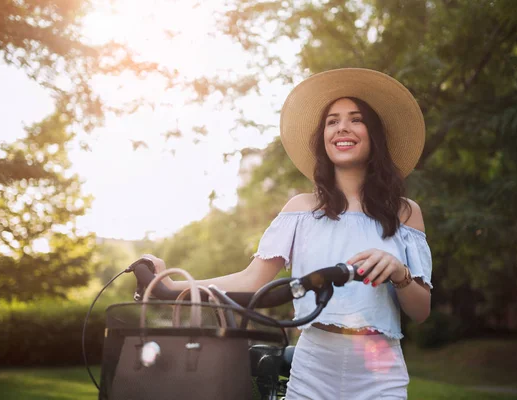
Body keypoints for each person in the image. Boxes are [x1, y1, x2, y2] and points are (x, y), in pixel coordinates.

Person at [146, 68, 432, 400]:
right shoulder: (300, 209)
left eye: (356, 119)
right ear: (323, 138)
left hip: (381, 373)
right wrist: (165, 285)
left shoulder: (405, 212)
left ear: (374, 135)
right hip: (313, 366)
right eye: (332, 121)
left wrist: (399, 273)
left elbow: (421, 311)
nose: (342, 127)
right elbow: (251, 280)